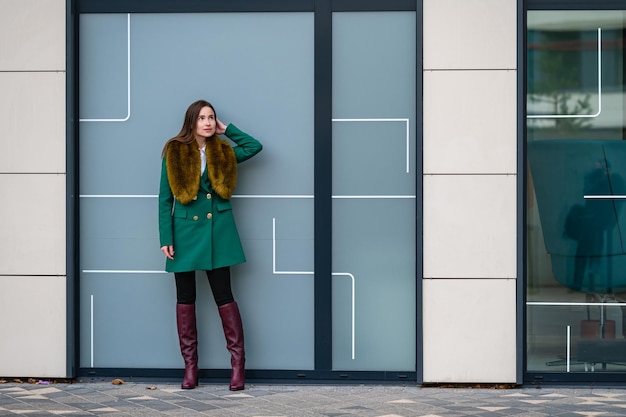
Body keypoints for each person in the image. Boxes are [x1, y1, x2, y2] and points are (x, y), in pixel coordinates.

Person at [158, 99, 262, 390]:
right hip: (184, 233)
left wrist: (227, 129)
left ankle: (237, 366)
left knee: (224, 295)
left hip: (217, 232)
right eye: (202, 117)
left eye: (211, 117)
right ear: (191, 122)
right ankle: (191, 368)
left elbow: (254, 146)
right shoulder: (174, 151)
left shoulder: (224, 151)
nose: (207, 122)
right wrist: (166, 237)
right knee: (185, 298)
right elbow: (165, 199)